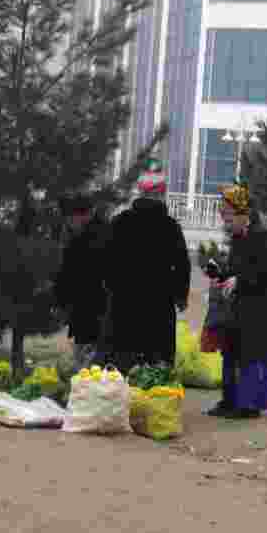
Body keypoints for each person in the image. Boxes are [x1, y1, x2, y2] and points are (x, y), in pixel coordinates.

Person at [103, 159, 191, 374]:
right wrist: (181, 296)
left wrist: (110, 287)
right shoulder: (170, 227)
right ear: (161, 195)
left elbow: (105, 259)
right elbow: (182, 265)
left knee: (122, 359)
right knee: (156, 364)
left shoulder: (120, 222)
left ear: (139, 193)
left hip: (123, 303)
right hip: (159, 305)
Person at [205, 182, 267, 419]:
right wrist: (220, 275)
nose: (225, 220)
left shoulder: (263, 238)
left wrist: (240, 280)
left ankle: (248, 406)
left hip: (259, 312)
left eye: (228, 215)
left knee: (251, 359)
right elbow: (235, 270)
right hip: (238, 310)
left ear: (243, 213)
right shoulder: (238, 239)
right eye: (223, 215)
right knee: (230, 354)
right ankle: (229, 401)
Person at [55, 194, 110, 372]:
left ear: (82, 216)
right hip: (88, 311)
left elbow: (71, 274)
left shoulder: (91, 238)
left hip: (93, 310)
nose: (68, 222)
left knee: (89, 359)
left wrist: (61, 300)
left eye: (70, 218)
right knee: (87, 356)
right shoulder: (88, 233)